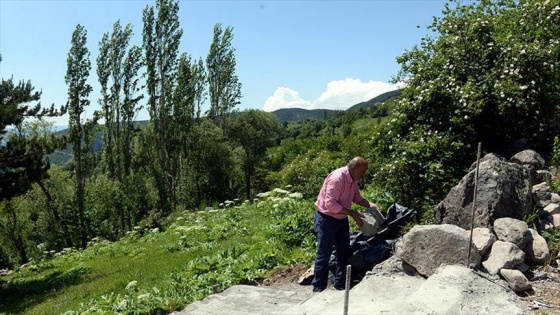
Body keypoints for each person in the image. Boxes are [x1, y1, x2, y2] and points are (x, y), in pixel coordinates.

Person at [311, 156, 382, 293]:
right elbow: (330, 204)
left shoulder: (352, 180)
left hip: (341, 219)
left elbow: (356, 198)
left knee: (343, 252)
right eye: (362, 172)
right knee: (324, 253)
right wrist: (353, 213)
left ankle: (340, 285)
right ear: (353, 169)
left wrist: (370, 205)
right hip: (326, 219)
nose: (363, 175)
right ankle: (318, 289)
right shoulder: (337, 178)